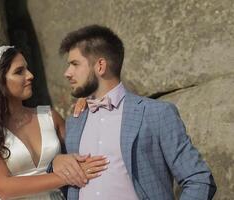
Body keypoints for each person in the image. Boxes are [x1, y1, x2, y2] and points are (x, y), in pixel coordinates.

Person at [55, 25, 217, 200]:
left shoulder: (156, 114)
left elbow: (198, 179)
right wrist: (56, 163)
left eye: (75, 64)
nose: (67, 73)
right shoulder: (75, 121)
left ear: (100, 66)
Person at [0, 46, 109, 200]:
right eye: (19, 71)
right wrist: (67, 176)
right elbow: (4, 188)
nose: (30, 75)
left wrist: (90, 102)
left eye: (27, 69)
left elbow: (86, 150)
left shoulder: (49, 116)